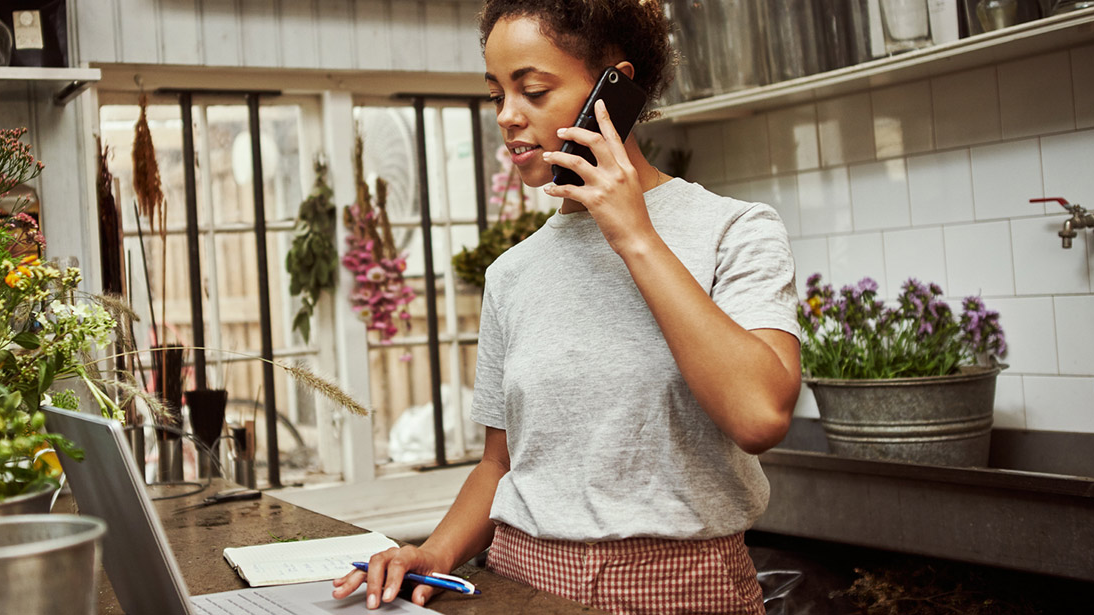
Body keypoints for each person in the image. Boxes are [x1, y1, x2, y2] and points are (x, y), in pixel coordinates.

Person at [333, 1, 802, 613]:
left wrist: (634, 235)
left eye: (532, 89)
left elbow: (760, 415)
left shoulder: (734, 231)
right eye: (497, 92)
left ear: (616, 88)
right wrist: (438, 552)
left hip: (685, 588)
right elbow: (500, 464)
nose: (507, 115)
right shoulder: (512, 274)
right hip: (519, 582)